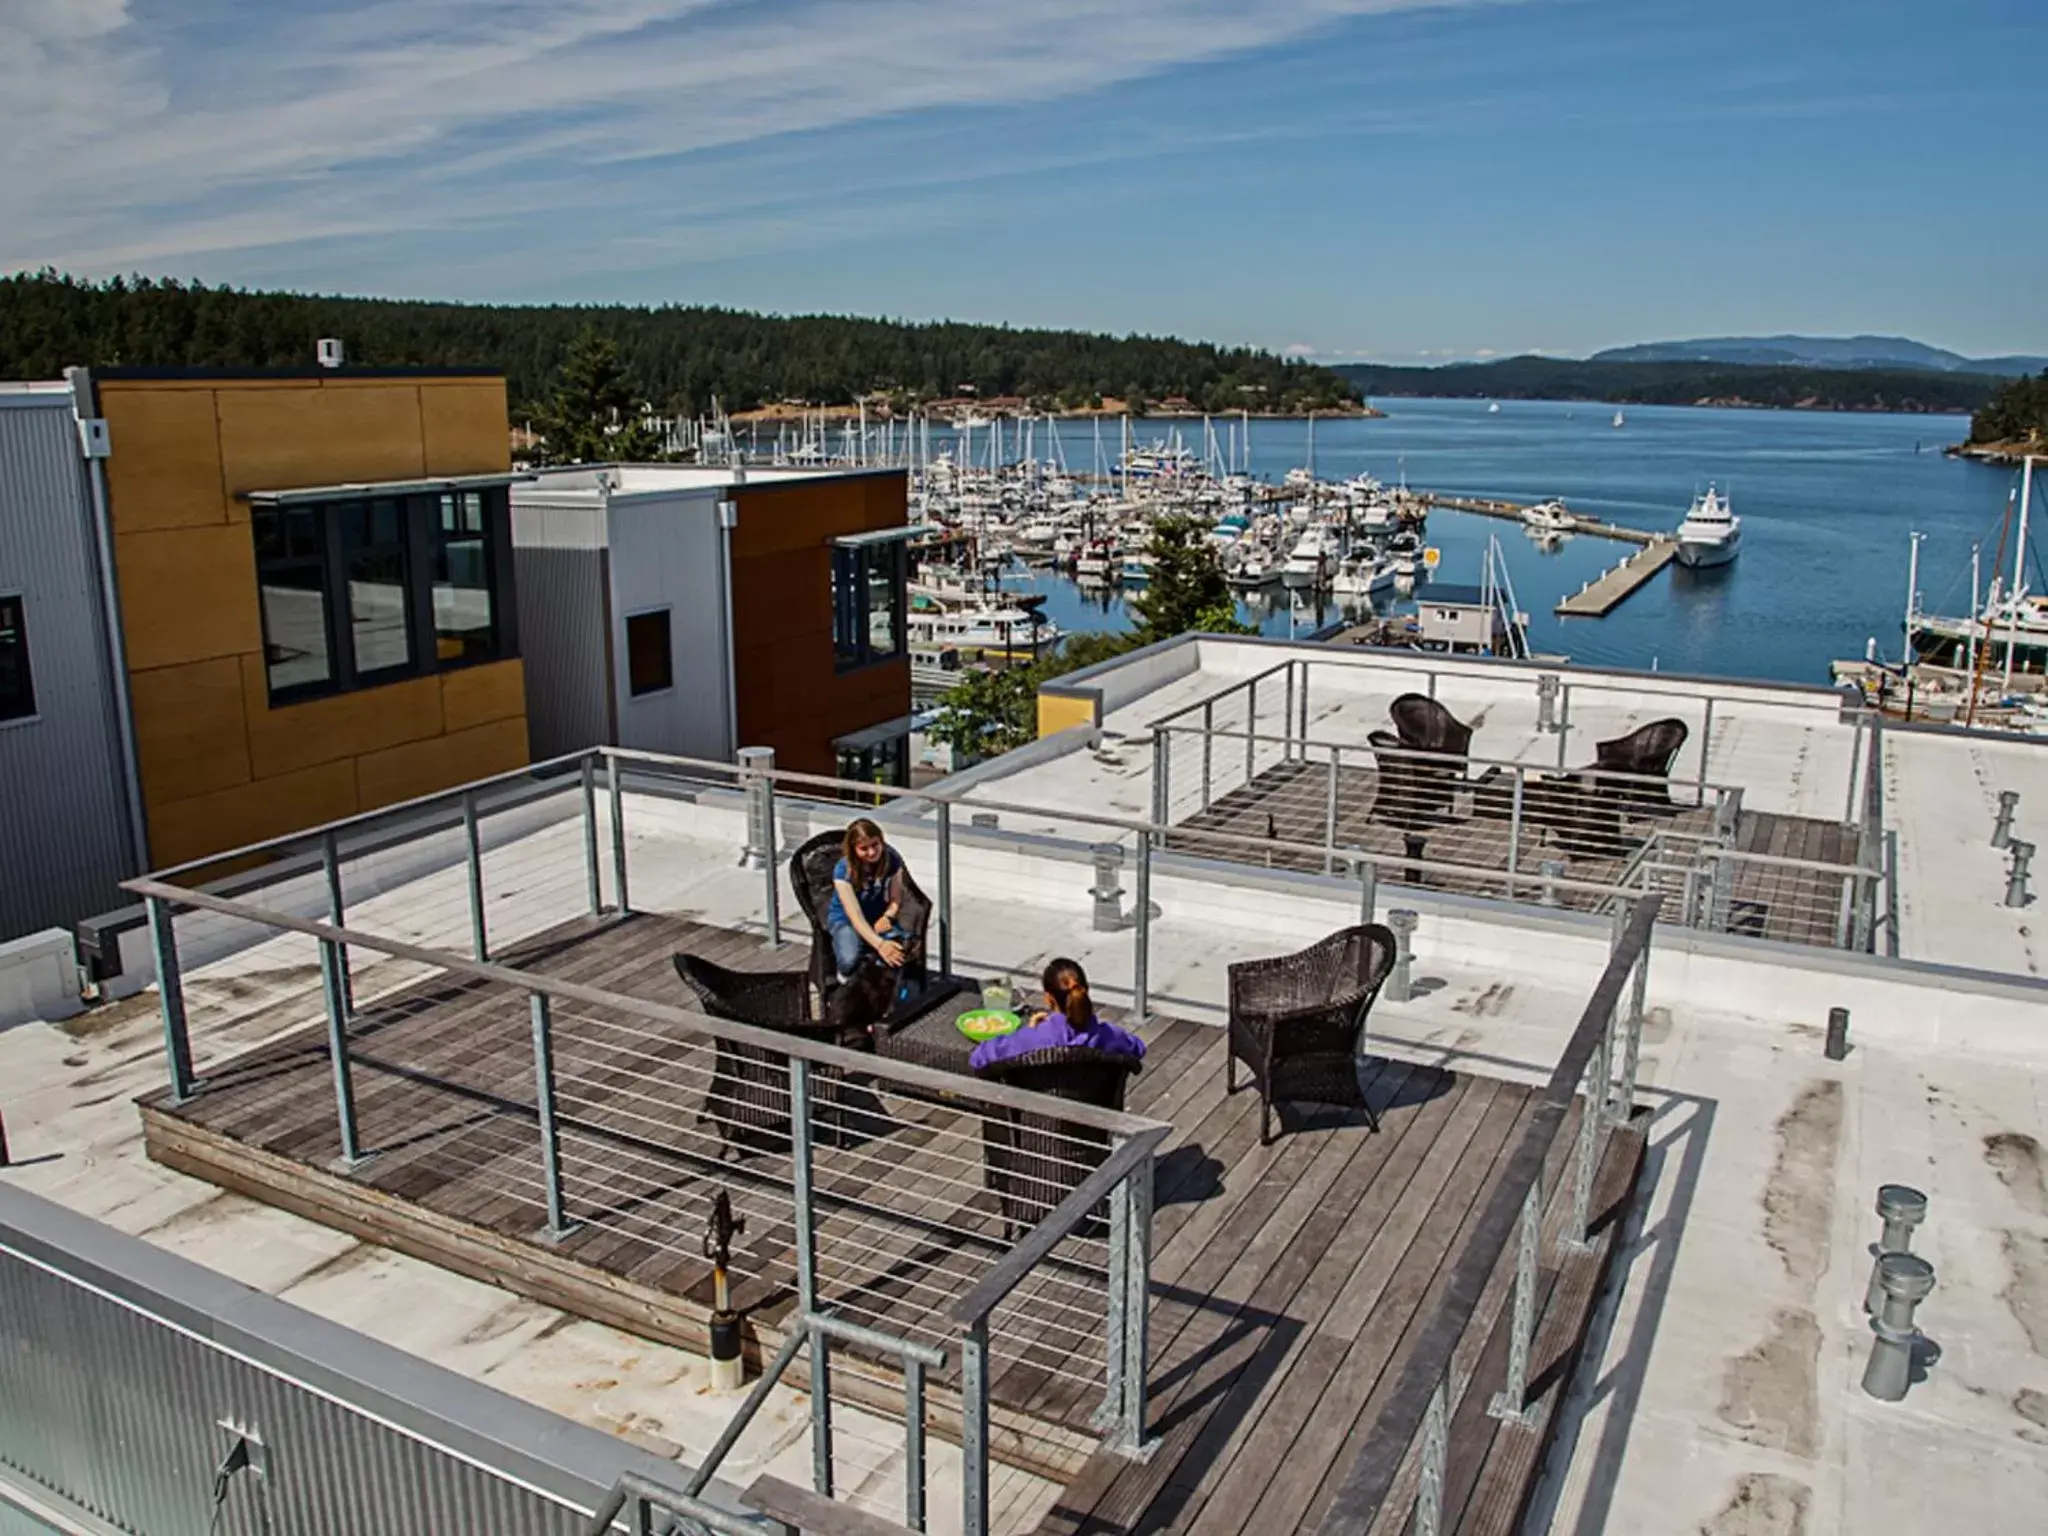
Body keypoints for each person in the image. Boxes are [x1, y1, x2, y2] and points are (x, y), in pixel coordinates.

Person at [970, 957, 1146, 1071]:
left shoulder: (1035, 1038)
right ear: (1086, 990)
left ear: (1048, 998)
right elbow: (1137, 1048)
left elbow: (979, 1058)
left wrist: (1029, 1031)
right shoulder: (1107, 1035)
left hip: (1037, 1119)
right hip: (1092, 1119)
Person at [826, 819, 908, 982]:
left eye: (875, 845)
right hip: (846, 920)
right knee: (849, 960)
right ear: (854, 849)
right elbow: (855, 916)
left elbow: (896, 898)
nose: (871, 852)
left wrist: (888, 916)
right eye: (864, 848)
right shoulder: (843, 870)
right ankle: (843, 983)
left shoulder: (891, 858)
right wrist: (880, 945)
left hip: (877, 916)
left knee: (902, 948)